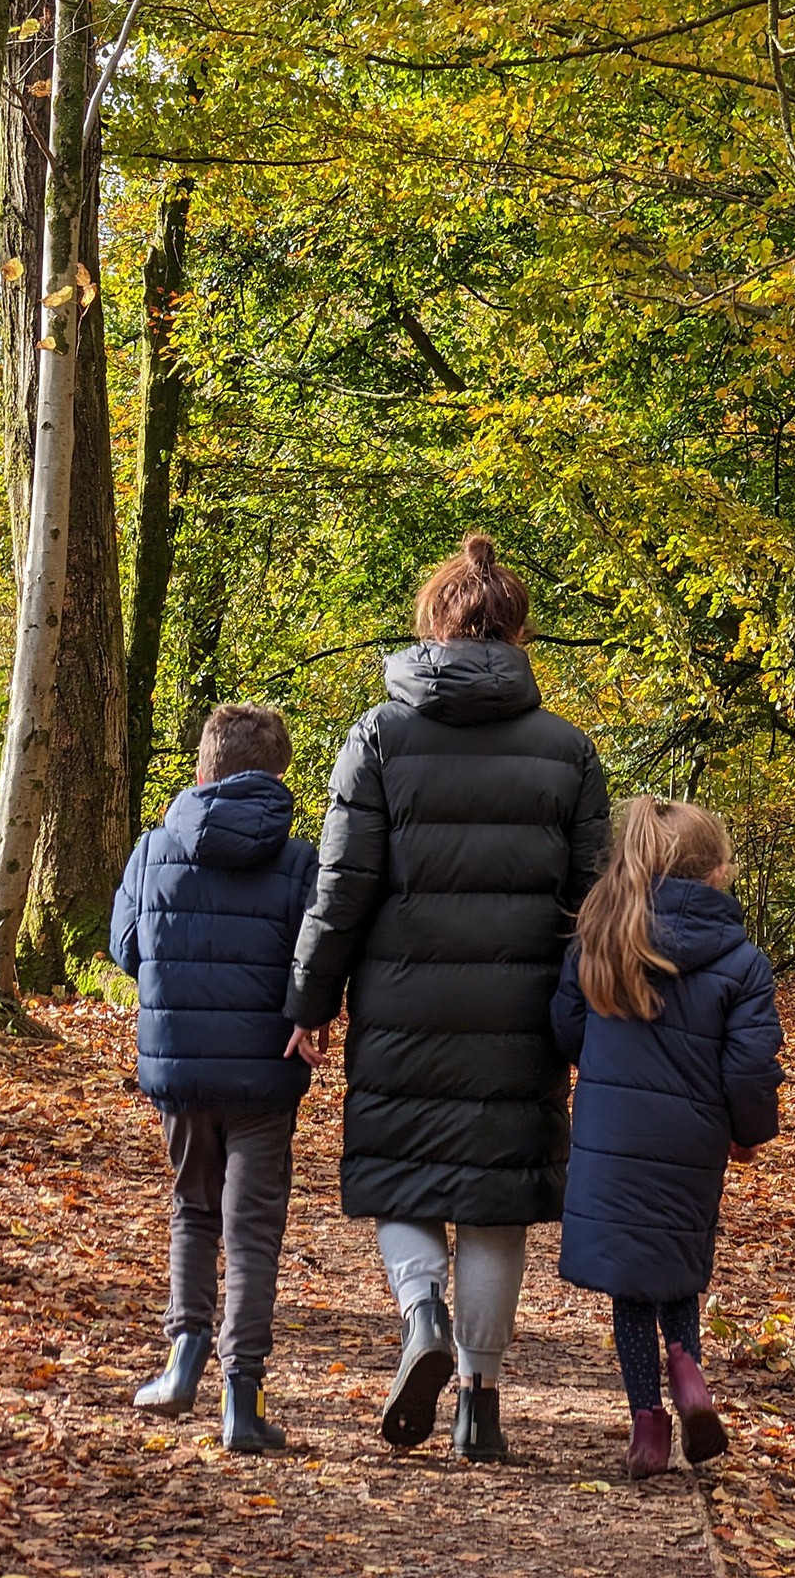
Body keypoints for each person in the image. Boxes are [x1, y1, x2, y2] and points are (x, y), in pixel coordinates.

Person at [284, 532, 609, 1461]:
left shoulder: (378, 734)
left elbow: (342, 884)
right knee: (496, 1203)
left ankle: (420, 1312)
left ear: (436, 622)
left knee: (402, 1174)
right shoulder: (569, 751)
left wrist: (310, 1000)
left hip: (403, 1001)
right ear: (516, 631)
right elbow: (591, 902)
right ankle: (480, 1404)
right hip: (518, 1012)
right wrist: (589, 1017)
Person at [551, 795, 784, 1479]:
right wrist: (749, 1133)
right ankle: (689, 1374)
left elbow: (565, 1024)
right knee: (680, 1275)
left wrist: (596, 1060)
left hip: (610, 1134)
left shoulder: (598, 935)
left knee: (631, 1290)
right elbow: (749, 1067)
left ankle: (647, 1427)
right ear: (715, 873)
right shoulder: (742, 963)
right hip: (692, 1139)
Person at [110, 702, 320, 1453]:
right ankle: (244, 1398)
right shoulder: (301, 863)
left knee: (192, 1209)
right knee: (253, 1232)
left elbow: (127, 947)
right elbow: (316, 962)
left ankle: (181, 1362)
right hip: (266, 1068)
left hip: (180, 1064)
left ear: (203, 770)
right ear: (278, 776)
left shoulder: (152, 850)